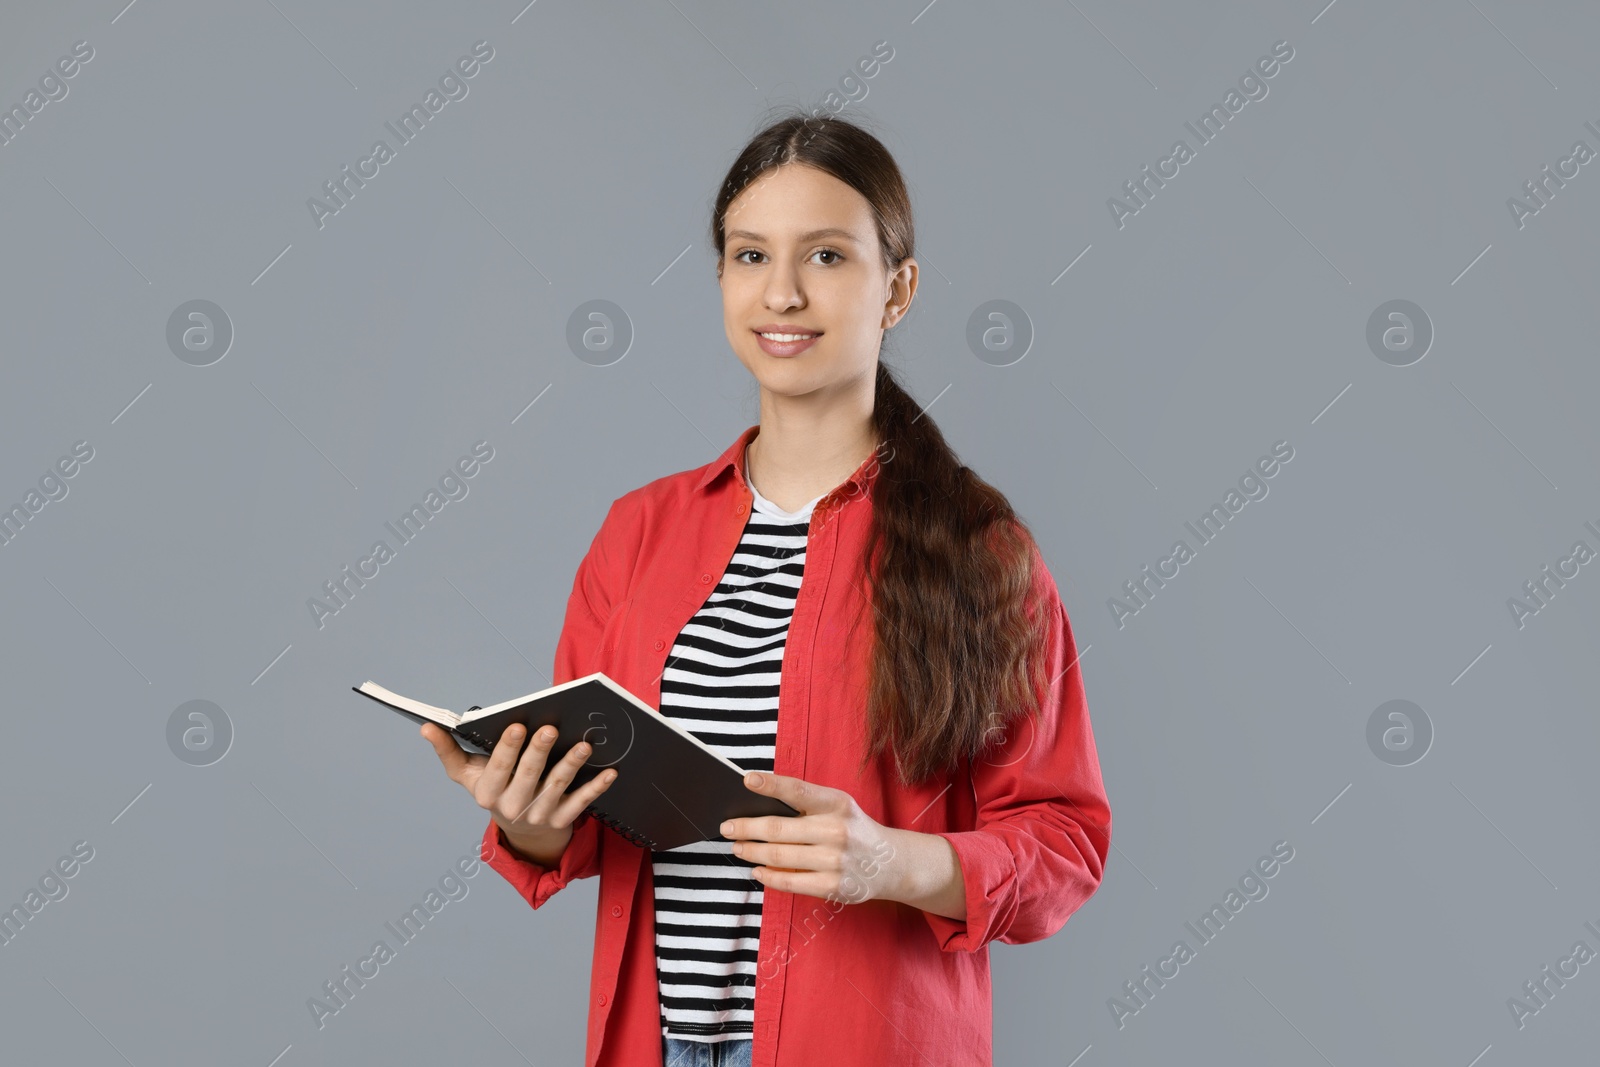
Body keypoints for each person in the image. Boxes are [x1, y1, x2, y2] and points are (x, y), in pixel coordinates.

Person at [422, 109, 1112, 1067]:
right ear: (720, 280)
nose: (781, 293)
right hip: (656, 1046)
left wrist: (893, 860)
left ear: (898, 289)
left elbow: (1065, 840)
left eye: (826, 257)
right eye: (750, 256)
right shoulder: (638, 532)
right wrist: (528, 821)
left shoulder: (979, 551)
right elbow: (587, 819)